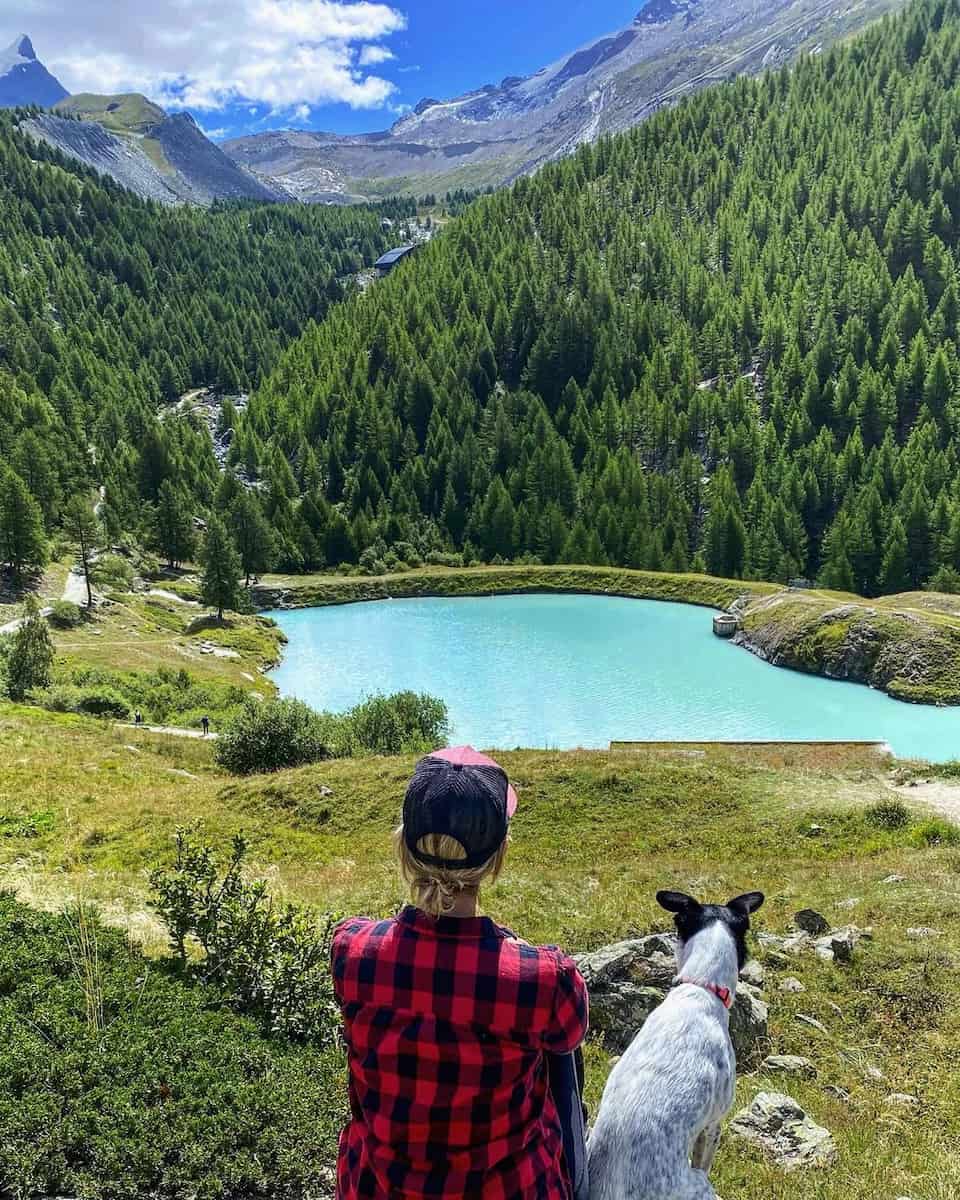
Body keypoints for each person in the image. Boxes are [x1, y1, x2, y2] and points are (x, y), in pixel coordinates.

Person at [331, 746, 589, 1200]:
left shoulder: (353, 951)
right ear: (498, 856)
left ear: (404, 846)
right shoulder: (546, 980)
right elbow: (570, 1037)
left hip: (377, 1187)